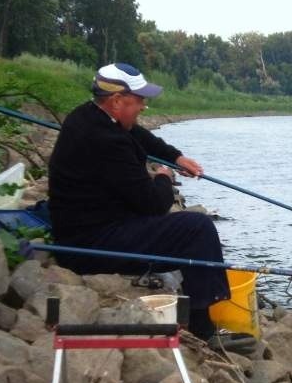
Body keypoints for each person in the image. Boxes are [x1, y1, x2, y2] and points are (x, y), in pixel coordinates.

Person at [48, 62, 229, 340]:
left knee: (186, 227)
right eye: (139, 100)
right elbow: (154, 204)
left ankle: (201, 309)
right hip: (90, 248)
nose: (144, 106)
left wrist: (175, 157)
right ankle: (203, 327)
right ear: (117, 100)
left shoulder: (87, 116)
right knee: (198, 228)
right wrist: (165, 177)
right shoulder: (107, 141)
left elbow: (139, 135)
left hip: (84, 231)